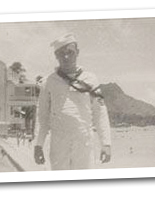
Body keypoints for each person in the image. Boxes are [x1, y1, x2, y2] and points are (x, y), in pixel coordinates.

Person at [34, 33, 111, 170]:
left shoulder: (91, 80)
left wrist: (106, 143)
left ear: (78, 53)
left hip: (84, 144)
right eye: (61, 53)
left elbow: (100, 112)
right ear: (56, 56)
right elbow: (42, 117)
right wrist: (38, 145)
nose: (66, 57)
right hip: (59, 145)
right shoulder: (48, 82)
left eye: (70, 52)